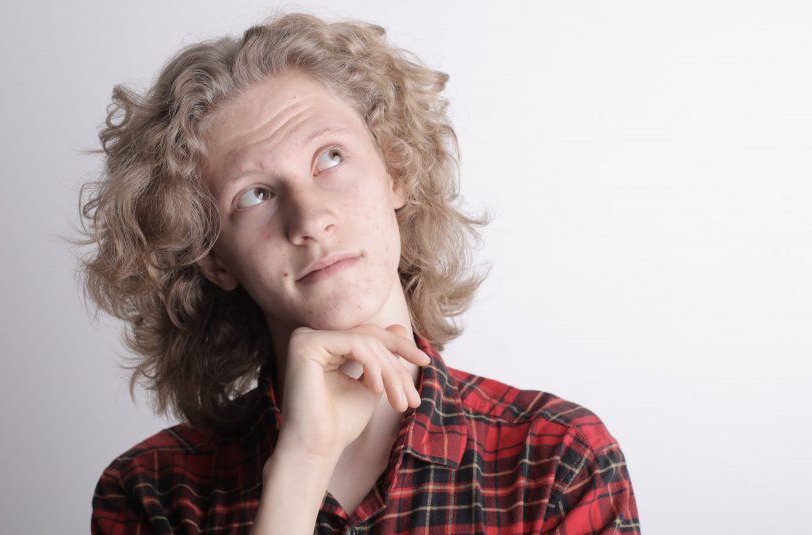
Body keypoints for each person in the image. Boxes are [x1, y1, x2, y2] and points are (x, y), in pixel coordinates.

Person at [77, 12, 640, 534]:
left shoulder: (555, 463)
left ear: (395, 171)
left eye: (331, 158)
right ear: (214, 258)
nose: (311, 220)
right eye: (255, 194)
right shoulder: (151, 493)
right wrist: (301, 466)